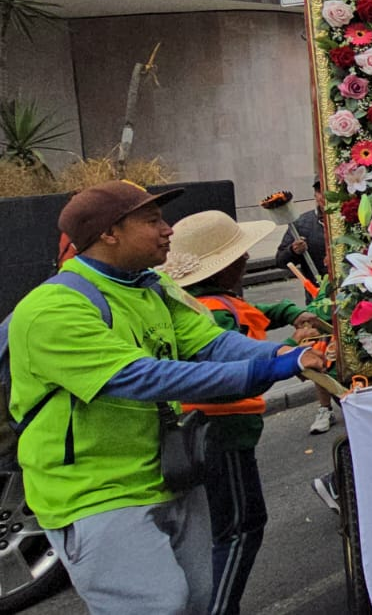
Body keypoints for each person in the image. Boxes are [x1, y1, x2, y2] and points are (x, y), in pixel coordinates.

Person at [7, 181, 325, 614]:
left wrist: (293, 354)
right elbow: (144, 377)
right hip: (95, 494)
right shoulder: (52, 310)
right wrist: (273, 366)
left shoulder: (152, 285)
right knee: (159, 606)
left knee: (197, 601)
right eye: (152, 220)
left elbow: (212, 344)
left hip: (169, 476)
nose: (168, 230)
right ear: (109, 233)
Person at [159, 211, 325, 615]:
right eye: (241, 256)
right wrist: (293, 350)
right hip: (220, 433)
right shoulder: (211, 314)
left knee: (234, 525)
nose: (248, 260)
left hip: (226, 432)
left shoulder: (214, 302)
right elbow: (233, 353)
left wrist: (293, 314)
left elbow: (263, 314)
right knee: (240, 528)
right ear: (225, 267)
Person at [271, 180, 338, 435]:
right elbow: (280, 260)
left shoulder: (346, 218)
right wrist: (293, 249)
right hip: (316, 301)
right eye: (319, 191)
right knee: (317, 351)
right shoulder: (301, 224)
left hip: (345, 296)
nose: (324, 196)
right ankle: (324, 408)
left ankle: (349, 401)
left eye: (327, 190)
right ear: (315, 195)